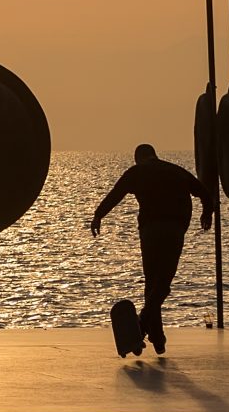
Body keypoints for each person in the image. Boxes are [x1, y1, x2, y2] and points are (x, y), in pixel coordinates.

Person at [90, 142, 215, 353]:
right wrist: (207, 213)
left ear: (138, 158)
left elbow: (116, 194)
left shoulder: (136, 172)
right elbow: (204, 191)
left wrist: (98, 215)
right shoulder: (175, 171)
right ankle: (155, 336)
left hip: (151, 232)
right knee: (161, 284)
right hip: (174, 231)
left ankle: (144, 327)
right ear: (154, 155)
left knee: (154, 284)